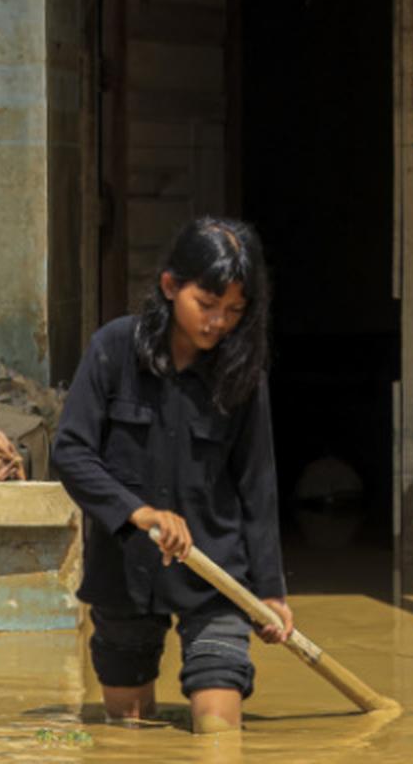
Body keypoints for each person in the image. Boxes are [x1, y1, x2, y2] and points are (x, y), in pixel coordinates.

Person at [52, 216, 290, 734]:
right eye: (206, 305)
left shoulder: (243, 371)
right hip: (125, 572)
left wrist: (270, 592)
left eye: (234, 311)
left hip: (216, 576)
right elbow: (70, 452)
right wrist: (137, 513)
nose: (217, 324)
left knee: (218, 730)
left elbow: (257, 483)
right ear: (170, 286)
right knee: (128, 726)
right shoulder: (114, 349)